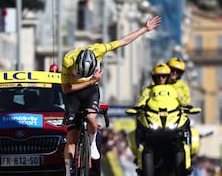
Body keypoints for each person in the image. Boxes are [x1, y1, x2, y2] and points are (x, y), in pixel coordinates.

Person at [61, 15, 161, 176]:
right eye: (79, 73)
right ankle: (67, 170)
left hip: (90, 90)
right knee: (71, 140)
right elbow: (66, 89)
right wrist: (89, 80)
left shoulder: (98, 49)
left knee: (92, 119)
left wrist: (145, 29)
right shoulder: (67, 61)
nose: (80, 75)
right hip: (73, 91)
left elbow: (122, 41)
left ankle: (92, 144)